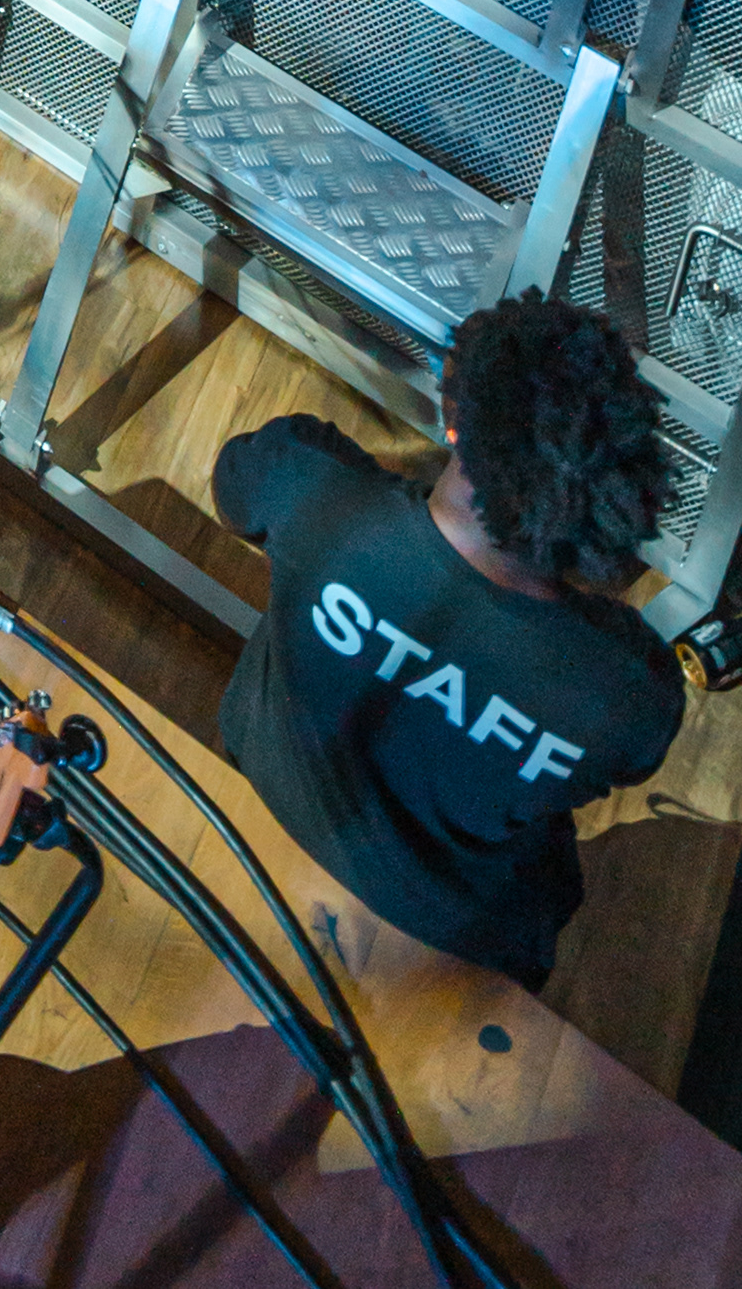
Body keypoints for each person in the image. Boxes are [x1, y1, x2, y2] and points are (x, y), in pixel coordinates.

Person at [213, 309, 683, 982]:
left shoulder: (311, 490)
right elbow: (631, 749)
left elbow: (235, 488)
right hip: (455, 947)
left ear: (454, 418)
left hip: (258, 797)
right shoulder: (628, 694)